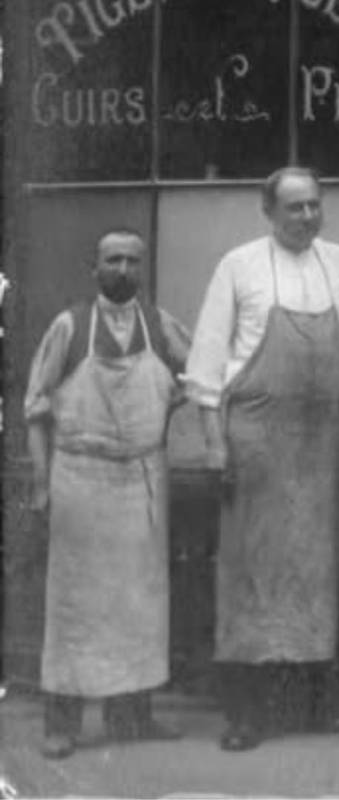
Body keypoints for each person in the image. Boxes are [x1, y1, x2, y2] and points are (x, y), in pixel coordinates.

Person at [185, 166, 339, 752]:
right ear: (268, 212)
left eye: (314, 206)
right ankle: (246, 715)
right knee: (251, 574)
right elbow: (207, 364)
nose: (307, 217)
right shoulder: (239, 266)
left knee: (314, 573)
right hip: (253, 438)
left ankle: (308, 707)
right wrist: (213, 442)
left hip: (318, 444)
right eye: (295, 208)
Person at [25, 229, 191, 759]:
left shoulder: (162, 329)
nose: (123, 269)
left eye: (132, 261)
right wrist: (41, 482)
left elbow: (204, 377)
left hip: (142, 477)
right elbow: (35, 408)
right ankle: (62, 723)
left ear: (143, 270)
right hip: (80, 479)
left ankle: (132, 719)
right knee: (75, 606)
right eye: (112, 260)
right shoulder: (69, 327)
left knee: (139, 605)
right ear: (93, 268)